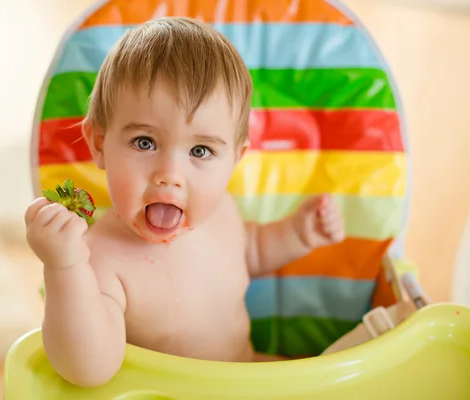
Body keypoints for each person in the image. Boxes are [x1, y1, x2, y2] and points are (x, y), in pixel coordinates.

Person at [24, 16, 345, 388]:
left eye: (200, 150)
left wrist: (297, 234)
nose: (170, 174)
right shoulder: (99, 258)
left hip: (247, 373)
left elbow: (250, 253)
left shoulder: (222, 210)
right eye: (145, 142)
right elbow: (87, 369)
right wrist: (64, 267)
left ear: (235, 159)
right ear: (99, 143)